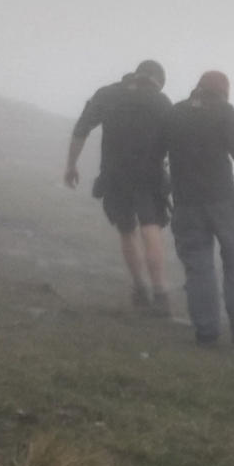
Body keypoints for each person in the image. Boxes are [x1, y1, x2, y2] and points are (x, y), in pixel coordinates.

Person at [156, 70, 234, 346]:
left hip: (185, 204)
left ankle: (206, 334)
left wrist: (161, 193)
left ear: (198, 87)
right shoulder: (225, 112)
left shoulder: (175, 113)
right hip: (222, 203)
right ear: (223, 91)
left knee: (199, 269)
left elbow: (154, 157)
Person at [65, 60, 174, 314]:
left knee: (126, 230)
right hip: (150, 175)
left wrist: (71, 165)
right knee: (150, 228)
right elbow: (176, 142)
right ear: (158, 80)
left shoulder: (108, 94)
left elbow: (82, 129)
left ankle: (140, 290)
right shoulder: (160, 102)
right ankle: (161, 294)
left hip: (115, 173)